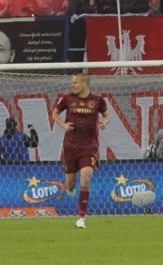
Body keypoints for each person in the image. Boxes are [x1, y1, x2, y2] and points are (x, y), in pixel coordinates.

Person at [51, 74, 110, 229]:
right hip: (70, 146)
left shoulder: (97, 100)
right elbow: (54, 114)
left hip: (89, 146)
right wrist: (63, 125)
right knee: (70, 185)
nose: (73, 85)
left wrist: (105, 122)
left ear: (84, 83)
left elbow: (107, 115)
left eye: (75, 82)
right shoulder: (67, 99)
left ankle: (81, 218)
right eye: (72, 83)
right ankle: (70, 188)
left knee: (85, 177)